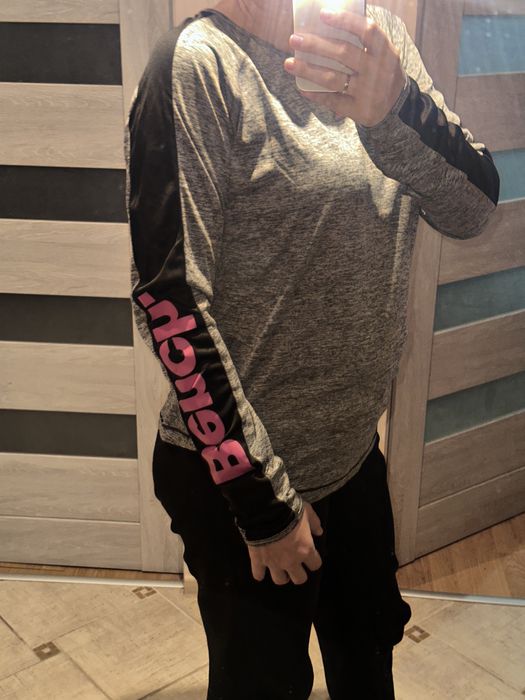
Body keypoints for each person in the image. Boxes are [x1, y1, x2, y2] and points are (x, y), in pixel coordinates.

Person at [123, 1, 500, 698]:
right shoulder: (198, 65)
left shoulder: (378, 41)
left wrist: (394, 110)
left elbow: (473, 207)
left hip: (351, 454)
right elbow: (169, 304)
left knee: (369, 657)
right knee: (261, 683)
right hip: (239, 482)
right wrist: (265, 511)